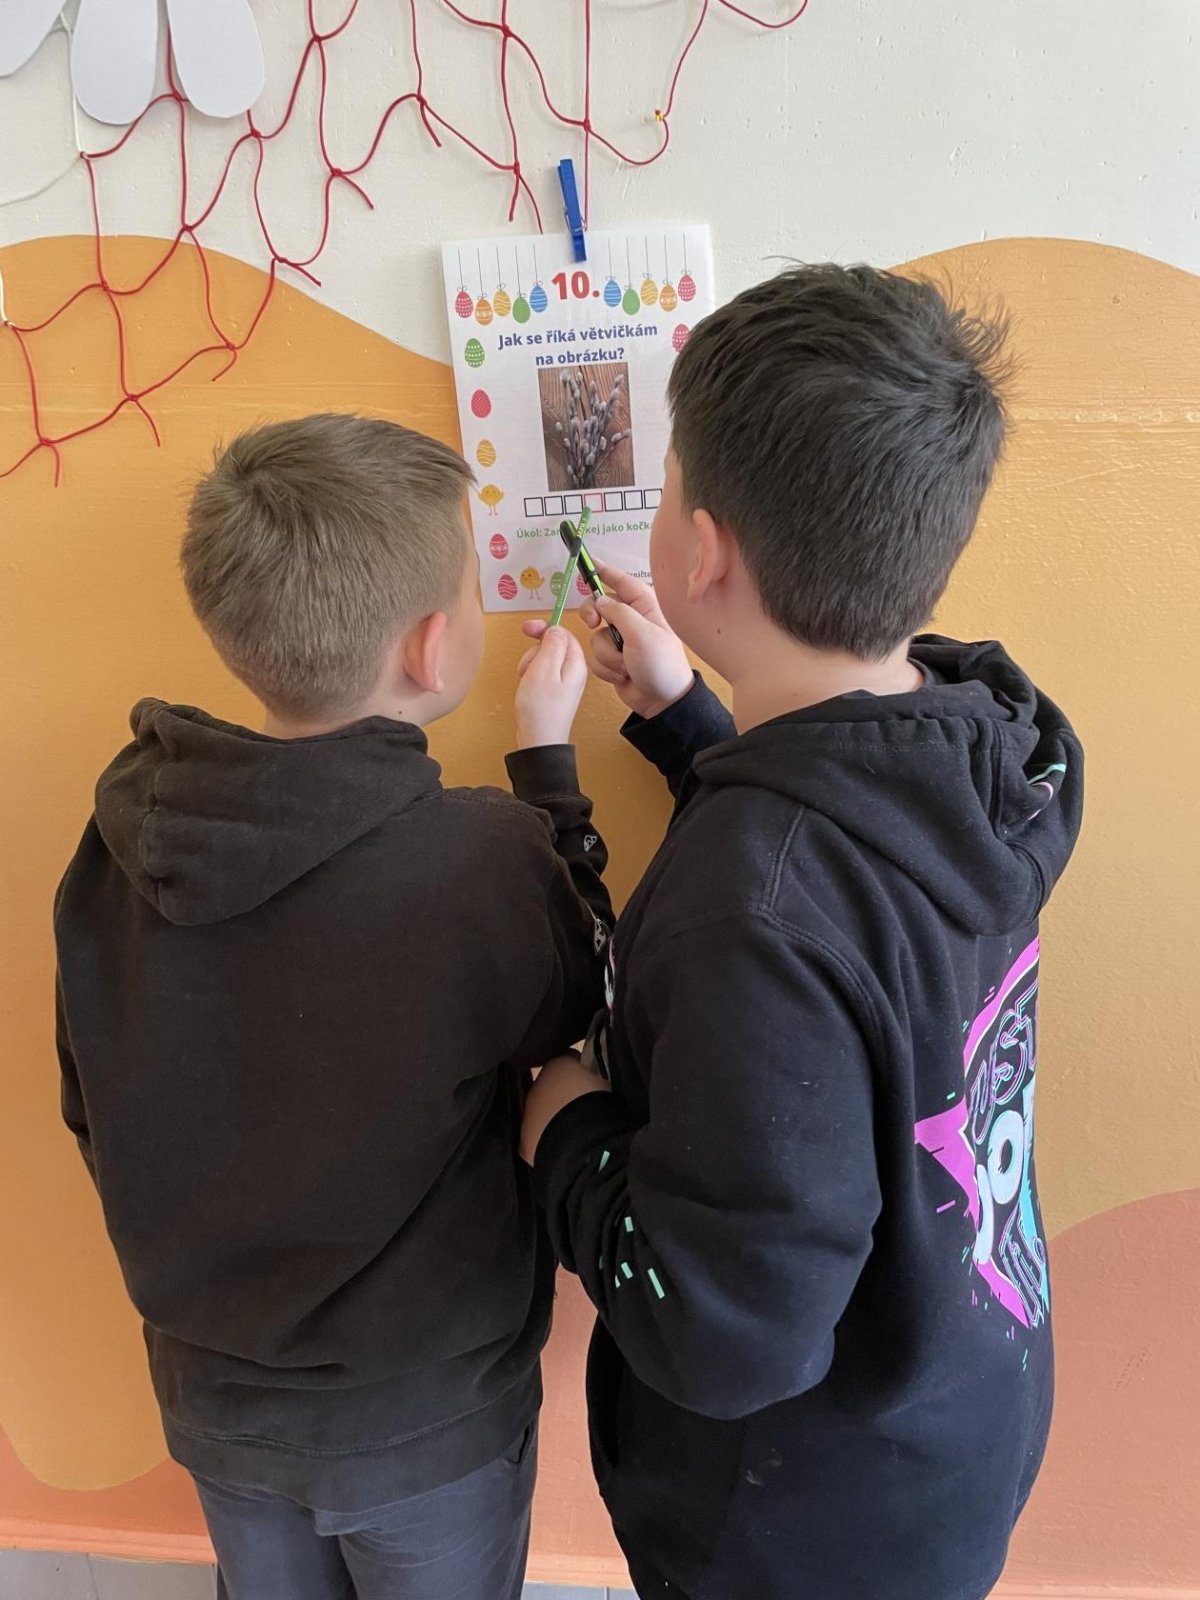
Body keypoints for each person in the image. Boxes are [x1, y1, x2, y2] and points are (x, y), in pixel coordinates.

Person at [521, 265, 1084, 1600]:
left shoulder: (753, 908)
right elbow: (844, 896)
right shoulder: (982, 754)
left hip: (795, 1537)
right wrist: (689, 722)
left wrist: (568, 1139)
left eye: (663, 488)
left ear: (703, 553)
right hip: (947, 1430)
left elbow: (725, 1336)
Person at [54, 413, 611, 1600]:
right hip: (425, 1423)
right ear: (433, 646)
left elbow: (90, 1102)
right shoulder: (481, 860)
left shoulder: (116, 848)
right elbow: (583, 994)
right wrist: (550, 777)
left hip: (214, 1400)